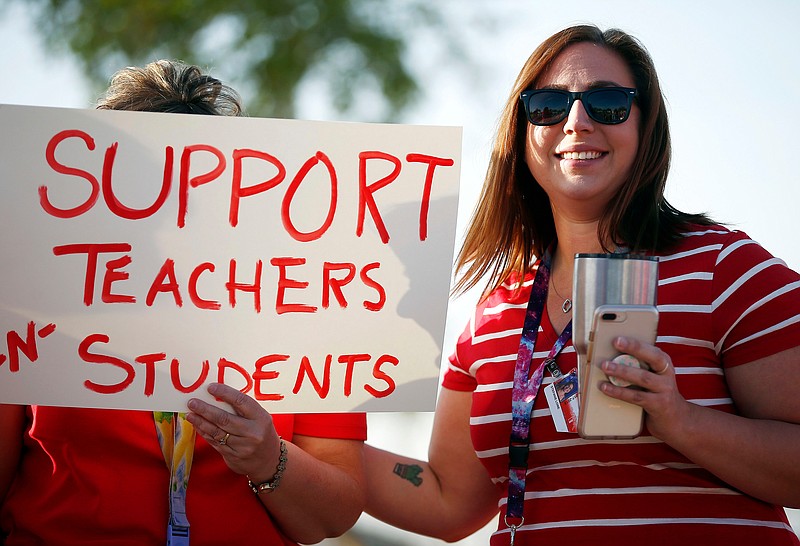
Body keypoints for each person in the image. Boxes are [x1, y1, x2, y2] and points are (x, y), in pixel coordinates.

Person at [364, 25, 800, 545]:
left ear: (646, 127)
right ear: (521, 132)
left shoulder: (727, 270)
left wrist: (679, 421)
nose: (576, 122)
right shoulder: (494, 314)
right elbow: (446, 502)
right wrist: (308, 435)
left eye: (608, 103)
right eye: (547, 105)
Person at [0, 60, 366, 546]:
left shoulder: (304, 312)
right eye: (141, 190)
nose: (167, 213)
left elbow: (332, 517)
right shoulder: (35, 304)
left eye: (197, 188)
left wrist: (269, 460)